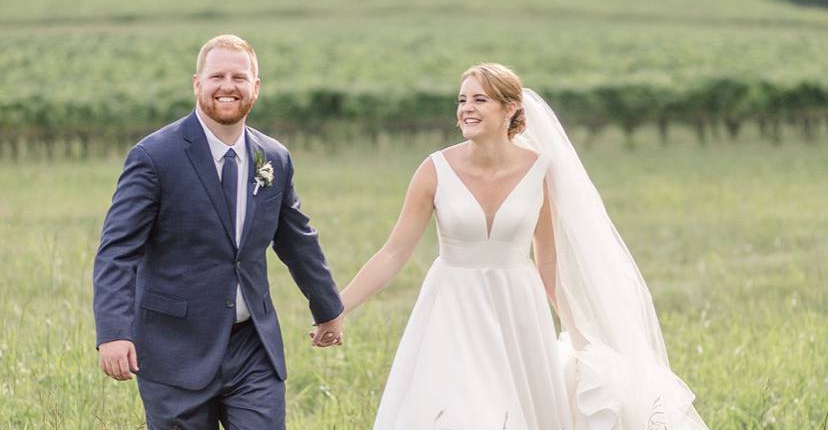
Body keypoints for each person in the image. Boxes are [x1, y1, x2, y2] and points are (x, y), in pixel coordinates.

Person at [339, 64, 709, 429]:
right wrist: (335, 308)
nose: (466, 108)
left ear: (511, 107)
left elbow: (548, 265)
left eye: (480, 99)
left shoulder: (539, 171)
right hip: (452, 306)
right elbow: (392, 253)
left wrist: (581, 337)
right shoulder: (433, 170)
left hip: (518, 309)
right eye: (462, 99)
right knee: (464, 409)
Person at [93, 34, 344, 430]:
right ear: (198, 84)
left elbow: (296, 239)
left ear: (255, 88)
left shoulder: (273, 158)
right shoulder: (154, 157)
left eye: (239, 77)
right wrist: (113, 333)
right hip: (174, 348)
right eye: (217, 76)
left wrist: (328, 308)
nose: (228, 86)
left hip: (252, 348)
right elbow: (117, 252)